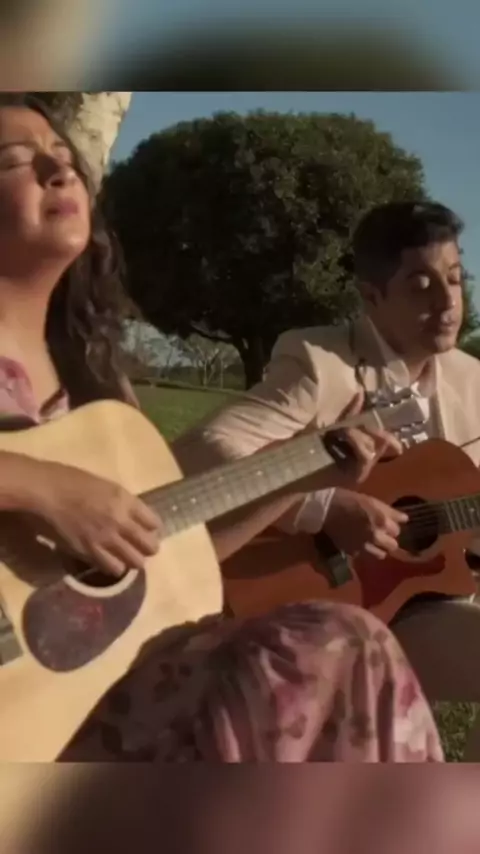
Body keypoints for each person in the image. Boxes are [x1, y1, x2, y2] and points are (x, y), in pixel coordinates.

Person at [0, 92, 442, 763]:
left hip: (99, 706)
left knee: (345, 647)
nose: (59, 172)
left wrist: (300, 475)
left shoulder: (97, 387)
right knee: (338, 647)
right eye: (15, 161)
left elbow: (174, 563)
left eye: (62, 157)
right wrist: (45, 488)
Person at [175, 199, 480, 760]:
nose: (447, 302)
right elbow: (205, 450)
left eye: (456, 279)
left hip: (418, 603)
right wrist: (326, 506)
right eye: (421, 285)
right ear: (370, 295)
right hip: (315, 603)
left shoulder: (471, 378)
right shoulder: (321, 362)